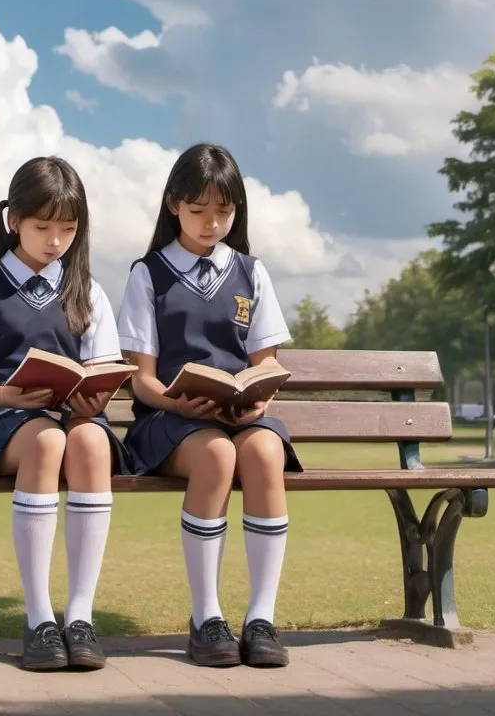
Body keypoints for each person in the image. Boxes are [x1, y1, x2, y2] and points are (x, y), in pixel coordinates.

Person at [0, 156, 128, 673]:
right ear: (14, 220)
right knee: (47, 441)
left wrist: (94, 399)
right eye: (43, 227)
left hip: (72, 422)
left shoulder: (86, 290)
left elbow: (104, 371)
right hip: (2, 423)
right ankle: (40, 618)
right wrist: (13, 397)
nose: (55, 240)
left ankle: (80, 617)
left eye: (68, 229)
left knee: (88, 441)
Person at [117, 143, 301, 669]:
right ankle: (207, 617)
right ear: (175, 204)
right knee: (217, 456)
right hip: (169, 422)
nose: (211, 223)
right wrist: (183, 403)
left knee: (265, 452)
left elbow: (267, 366)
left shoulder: (251, 272)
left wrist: (257, 401)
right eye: (199, 211)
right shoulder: (147, 275)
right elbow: (142, 382)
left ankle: (261, 619)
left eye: (224, 211)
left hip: (240, 416)